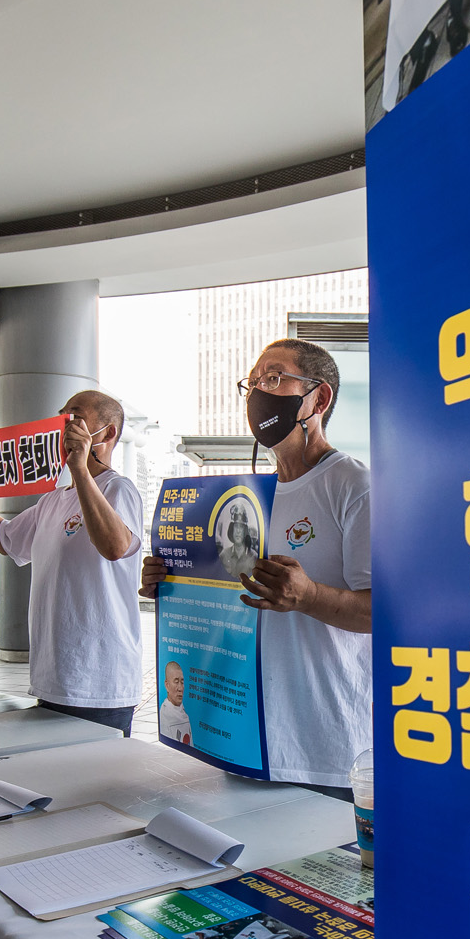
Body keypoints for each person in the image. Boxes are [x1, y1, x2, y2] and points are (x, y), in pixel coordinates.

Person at [140, 339, 371, 798]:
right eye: (252, 383)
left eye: (273, 378)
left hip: (322, 747)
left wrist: (309, 597)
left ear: (317, 398)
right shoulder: (246, 496)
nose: (257, 394)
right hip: (243, 736)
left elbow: (385, 613)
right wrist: (171, 583)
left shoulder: (353, 485)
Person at [0, 390, 145, 734]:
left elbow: (114, 547)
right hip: (54, 675)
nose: (63, 425)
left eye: (75, 416)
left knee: (94, 783)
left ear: (107, 433)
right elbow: (6, 539)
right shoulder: (53, 501)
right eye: (61, 416)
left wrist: (81, 468)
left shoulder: (118, 489)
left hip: (100, 678)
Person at [159, 661, 192, 745]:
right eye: (176, 682)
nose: (180, 688)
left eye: (182, 682)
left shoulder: (185, 715)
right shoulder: (165, 714)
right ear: (167, 685)